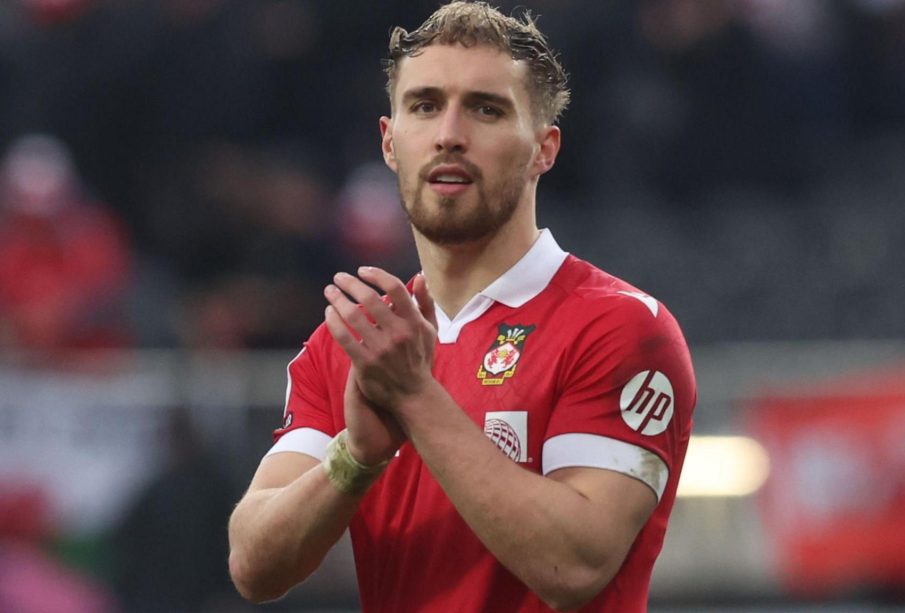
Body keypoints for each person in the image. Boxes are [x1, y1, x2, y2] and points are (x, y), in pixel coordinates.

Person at [228, 2, 696, 612]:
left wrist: (414, 398)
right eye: (425, 106)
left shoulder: (619, 327)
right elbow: (253, 566)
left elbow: (575, 564)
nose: (449, 134)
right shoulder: (356, 342)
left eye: (486, 109)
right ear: (390, 141)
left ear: (543, 149)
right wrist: (356, 458)